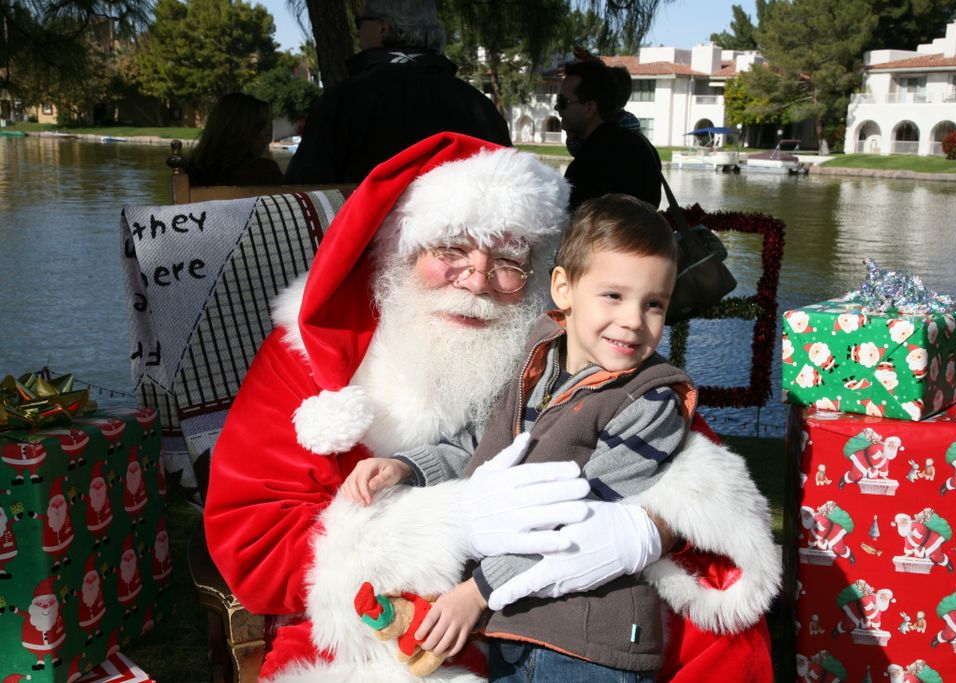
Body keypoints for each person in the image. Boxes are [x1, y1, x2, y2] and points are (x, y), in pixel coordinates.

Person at [204, 132, 780, 681]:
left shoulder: (552, 345)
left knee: (718, 633)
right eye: (450, 249)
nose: (477, 279)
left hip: (559, 601)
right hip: (376, 623)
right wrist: (452, 526)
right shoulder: (310, 354)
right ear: (398, 250)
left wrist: (645, 528)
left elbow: (684, 457)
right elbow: (253, 540)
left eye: (508, 260)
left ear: (542, 279)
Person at [342, 194, 696, 680]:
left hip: (588, 639)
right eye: (613, 296)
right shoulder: (532, 359)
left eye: (653, 304)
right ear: (563, 289)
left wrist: (476, 593)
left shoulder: (649, 402)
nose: (634, 320)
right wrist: (408, 467)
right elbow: (478, 444)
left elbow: (581, 522)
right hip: (516, 623)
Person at [283, 0, 511, 184]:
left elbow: (303, 193)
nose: (358, 31)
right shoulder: (480, 106)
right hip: (458, 240)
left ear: (383, 27)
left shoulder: (340, 103)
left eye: (359, 22)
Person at [556, 60, 661, 210]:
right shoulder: (643, 147)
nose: (557, 109)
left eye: (562, 102)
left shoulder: (588, 164)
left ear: (590, 108)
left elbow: (571, 224)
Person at [185, 93, 284, 187]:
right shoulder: (266, 171)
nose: (268, 136)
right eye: (262, 126)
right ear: (241, 131)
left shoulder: (189, 173)